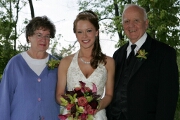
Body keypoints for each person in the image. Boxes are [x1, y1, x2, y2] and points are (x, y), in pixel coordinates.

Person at [106, 4, 179, 120]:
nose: (131, 25)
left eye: (136, 20)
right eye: (127, 21)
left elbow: (167, 99)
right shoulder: (117, 54)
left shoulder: (164, 53)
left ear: (146, 23)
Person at [56, 10, 115, 119]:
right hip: (71, 116)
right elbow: (59, 95)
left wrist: (96, 107)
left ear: (96, 32)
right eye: (80, 32)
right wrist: (74, 105)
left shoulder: (109, 62)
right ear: (75, 34)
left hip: (97, 116)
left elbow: (109, 95)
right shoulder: (66, 62)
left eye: (89, 31)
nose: (84, 36)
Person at [0, 16, 60, 120]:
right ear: (29, 37)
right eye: (39, 35)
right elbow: (4, 100)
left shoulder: (58, 65)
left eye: (47, 36)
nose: (43, 40)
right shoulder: (15, 64)